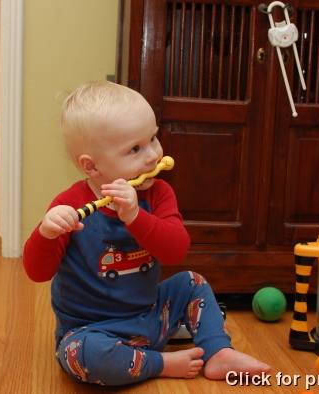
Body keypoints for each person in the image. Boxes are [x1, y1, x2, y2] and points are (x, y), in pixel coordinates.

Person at [23, 81, 271, 386]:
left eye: (153, 137)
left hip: (153, 316)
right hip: (93, 331)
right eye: (135, 149)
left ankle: (218, 352)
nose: (153, 155)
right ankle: (159, 363)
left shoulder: (159, 194)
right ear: (92, 167)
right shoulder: (69, 206)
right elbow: (37, 272)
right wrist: (45, 234)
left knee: (192, 283)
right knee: (82, 354)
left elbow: (175, 251)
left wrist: (135, 217)